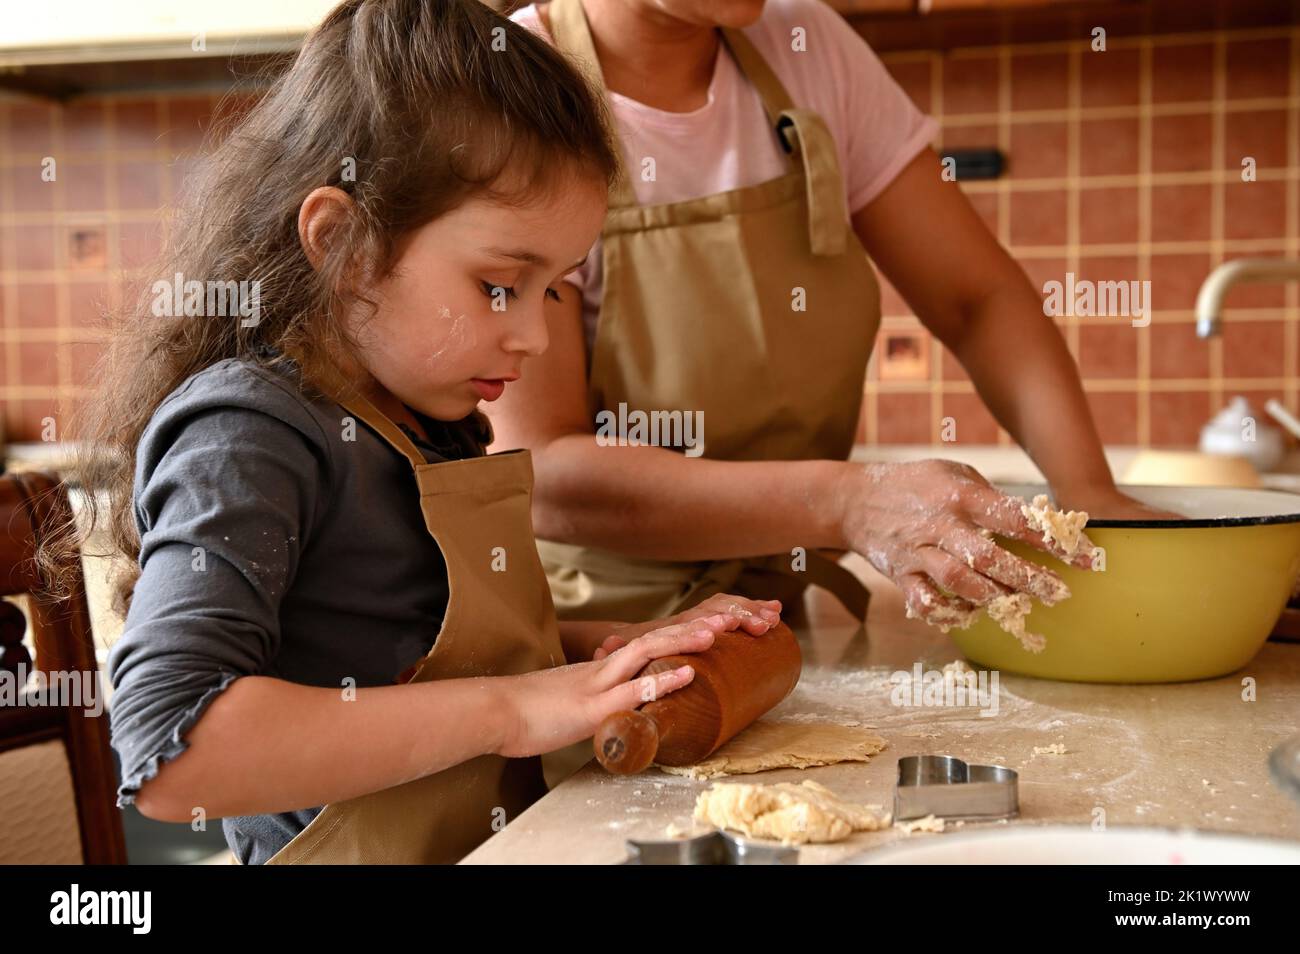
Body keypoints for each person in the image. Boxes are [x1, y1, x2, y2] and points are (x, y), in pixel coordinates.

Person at [44, 0, 784, 865]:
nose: (535, 338)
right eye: (501, 285)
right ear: (344, 244)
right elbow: (171, 747)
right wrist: (516, 710)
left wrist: (617, 657)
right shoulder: (247, 432)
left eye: (552, 290)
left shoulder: (432, 418)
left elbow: (411, 649)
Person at [497, 0, 1171, 629]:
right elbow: (540, 473)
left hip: (768, 622)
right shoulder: (514, 84)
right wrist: (845, 502)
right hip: (590, 643)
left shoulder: (806, 44)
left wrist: (1089, 492)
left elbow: (977, 300)